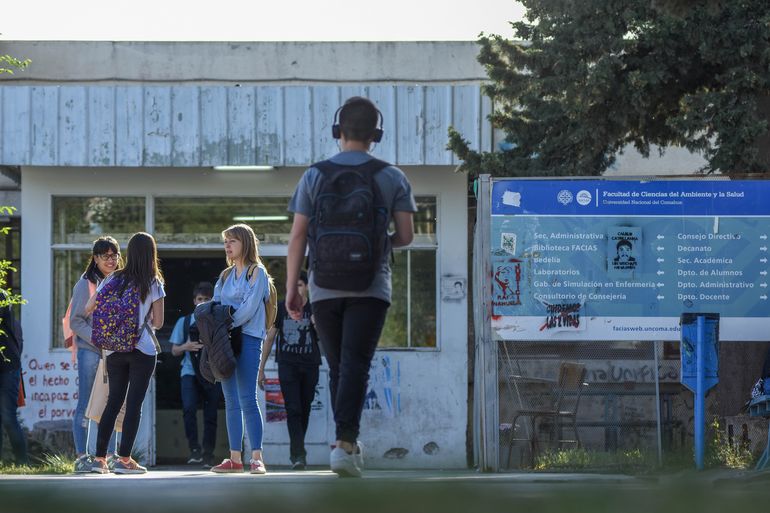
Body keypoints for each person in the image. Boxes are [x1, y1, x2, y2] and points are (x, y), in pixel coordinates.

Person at [286, 96, 416, 477]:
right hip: (371, 286)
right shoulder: (392, 177)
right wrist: (377, 245)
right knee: (355, 364)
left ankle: (346, 442)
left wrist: (294, 286)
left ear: (337, 131)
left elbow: (297, 237)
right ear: (376, 135)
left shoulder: (314, 175)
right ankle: (345, 444)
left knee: (339, 365)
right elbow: (406, 236)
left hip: (323, 286)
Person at [86, 232, 165, 474]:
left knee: (113, 403)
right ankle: (124, 459)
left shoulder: (112, 278)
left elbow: (89, 308)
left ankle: (100, 460)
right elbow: (159, 322)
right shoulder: (153, 282)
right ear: (151, 254)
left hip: (114, 349)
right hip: (142, 349)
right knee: (133, 405)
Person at [210, 223, 271, 475]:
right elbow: (214, 305)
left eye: (232, 240)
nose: (227, 245)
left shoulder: (258, 272)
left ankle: (256, 457)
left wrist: (226, 323)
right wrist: (214, 328)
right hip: (225, 341)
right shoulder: (224, 276)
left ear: (245, 242)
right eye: (225, 241)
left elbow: (250, 307)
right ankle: (235, 458)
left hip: (248, 338)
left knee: (247, 397)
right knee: (231, 400)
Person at [258, 271, 320, 470]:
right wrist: (261, 368)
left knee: (305, 408)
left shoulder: (315, 309)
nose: (297, 290)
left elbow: (327, 337)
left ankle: (299, 451)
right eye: (293, 286)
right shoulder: (281, 309)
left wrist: (317, 325)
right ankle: (298, 456)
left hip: (310, 365)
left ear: (307, 286)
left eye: (300, 285)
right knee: (293, 409)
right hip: (287, 365)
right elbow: (269, 338)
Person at [68, 236, 120, 472]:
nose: (110, 260)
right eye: (105, 256)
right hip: (91, 350)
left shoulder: (122, 282)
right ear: (95, 259)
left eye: (114, 255)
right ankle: (81, 456)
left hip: (115, 352)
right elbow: (76, 321)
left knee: (110, 404)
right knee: (86, 403)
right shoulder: (85, 284)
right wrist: (100, 340)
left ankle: (107, 456)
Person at [169, 281, 221, 467]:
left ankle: (208, 454)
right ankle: (194, 450)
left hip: (212, 373)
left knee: (211, 414)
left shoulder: (217, 321)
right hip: (189, 372)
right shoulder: (184, 322)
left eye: (207, 300)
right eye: (200, 299)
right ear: (194, 300)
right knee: (189, 409)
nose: (202, 303)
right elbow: (174, 350)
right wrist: (187, 346)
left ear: (212, 301)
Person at [0, 296, 28, 465]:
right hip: (9, 364)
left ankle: (22, 463)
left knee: (8, 416)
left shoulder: (2, 295)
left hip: (8, 366)